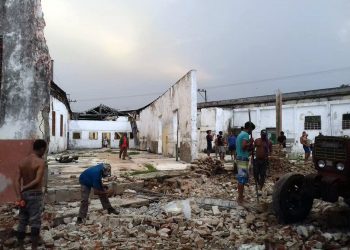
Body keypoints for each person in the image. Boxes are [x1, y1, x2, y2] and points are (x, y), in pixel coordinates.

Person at [15, 139, 47, 249]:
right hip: (35, 195)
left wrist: (19, 194)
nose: (44, 153)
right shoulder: (40, 162)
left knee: (22, 221)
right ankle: (34, 248)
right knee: (35, 222)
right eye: (44, 150)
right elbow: (37, 180)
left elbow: (16, 180)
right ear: (42, 149)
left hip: (24, 196)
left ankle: (20, 247)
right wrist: (25, 187)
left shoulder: (22, 161)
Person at [236, 121, 256, 204]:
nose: (252, 132)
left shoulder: (240, 134)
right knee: (241, 179)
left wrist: (251, 147)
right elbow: (243, 146)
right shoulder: (245, 135)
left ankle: (241, 197)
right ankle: (240, 198)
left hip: (241, 157)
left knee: (242, 179)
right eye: (252, 130)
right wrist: (250, 142)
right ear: (249, 128)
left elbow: (245, 148)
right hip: (242, 158)